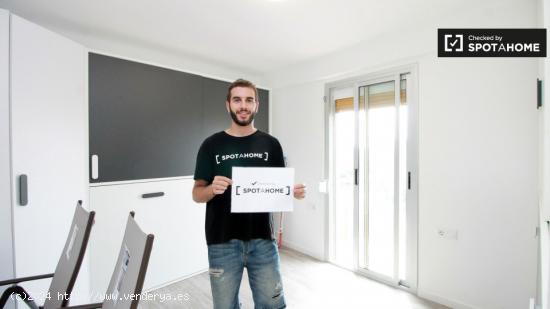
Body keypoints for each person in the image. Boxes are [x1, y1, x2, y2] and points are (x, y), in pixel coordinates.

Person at [192, 78, 306, 309]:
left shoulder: (271, 144)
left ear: (256, 105)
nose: (243, 105)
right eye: (237, 100)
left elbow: (276, 189)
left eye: (249, 100)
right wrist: (212, 189)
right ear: (228, 105)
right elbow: (196, 193)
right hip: (222, 242)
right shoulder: (211, 145)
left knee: (272, 305)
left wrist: (291, 192)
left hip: (262, 240)